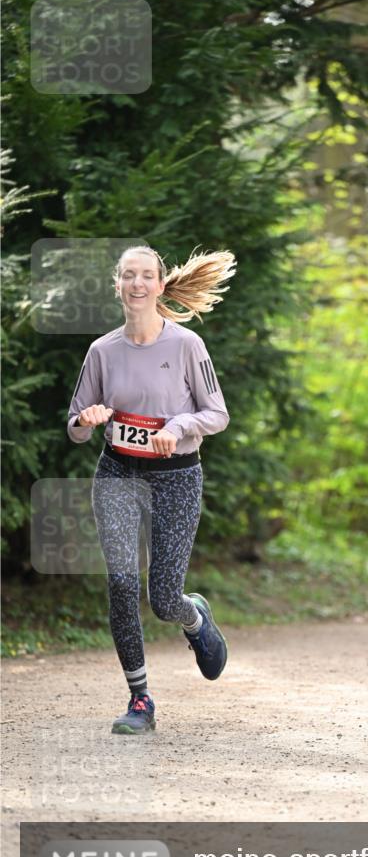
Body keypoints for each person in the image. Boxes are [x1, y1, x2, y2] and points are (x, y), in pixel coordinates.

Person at [67, 245, 236, 734]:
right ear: (117, 284)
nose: (137, 284)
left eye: (146, 276)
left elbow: (217, 414)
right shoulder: (102, 351)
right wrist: (86, 419)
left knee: (163, 599)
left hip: (176, 476)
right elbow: (75, 426)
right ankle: (140, 699)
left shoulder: (186, 346)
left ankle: (194, 618)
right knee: (122, 583)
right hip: (117, 473)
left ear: (160, 286)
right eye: (128, 275)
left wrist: (178, 425)